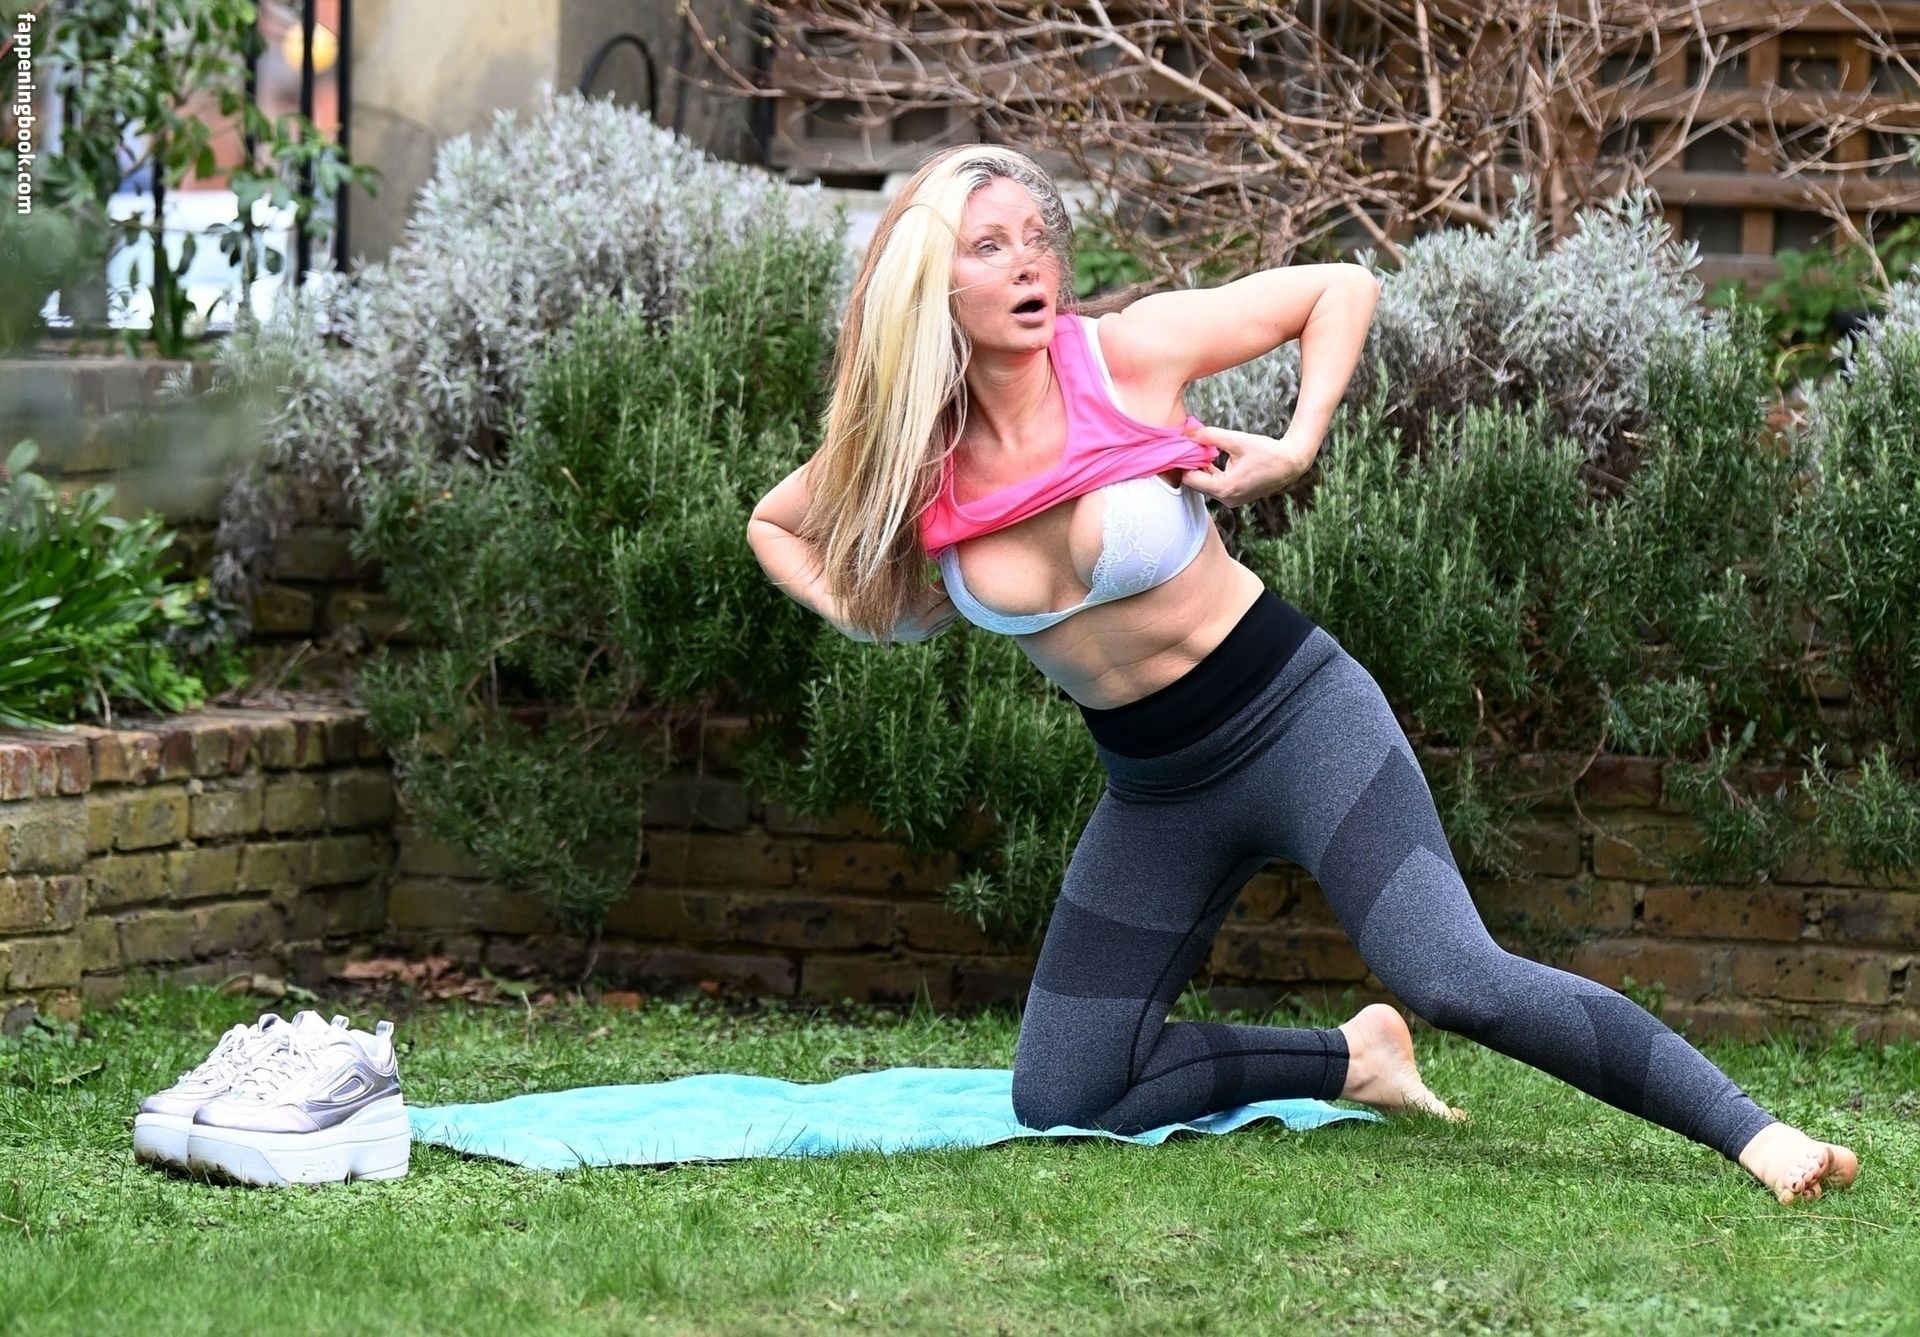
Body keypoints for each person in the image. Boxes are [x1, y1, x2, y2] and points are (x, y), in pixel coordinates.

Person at [745, 143, 1859, 1206]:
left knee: (1451, 973)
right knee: (1066, 1092)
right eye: (990, 247)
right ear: (928, 279)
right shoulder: (913, 453)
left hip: (1299, 720)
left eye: (1039, 237)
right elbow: (775, 524)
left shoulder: (1124, 354)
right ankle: (1354, 1058)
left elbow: (1339, 288)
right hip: (1155, 789)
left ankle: (1759, 1135)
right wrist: (875, 618)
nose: (1030, 262)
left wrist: (1297, 441)